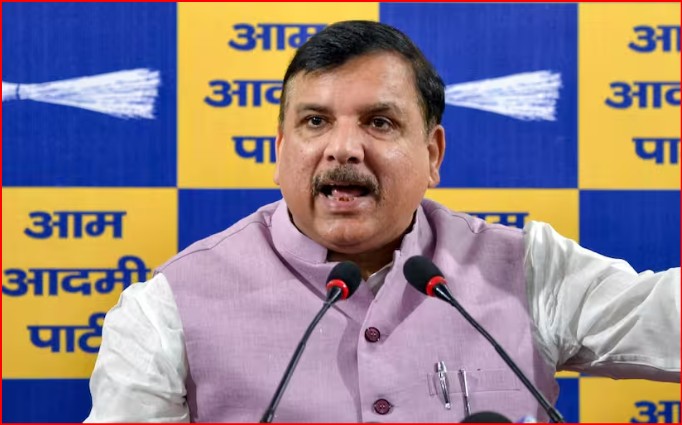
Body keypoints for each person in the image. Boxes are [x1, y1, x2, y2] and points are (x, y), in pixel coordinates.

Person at [85, 20, 680, 423]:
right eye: (315, 122)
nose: (343, 149)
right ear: (280, 152)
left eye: (379, 122)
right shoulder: (167, 308)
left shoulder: (527, 270)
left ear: (433, 154)